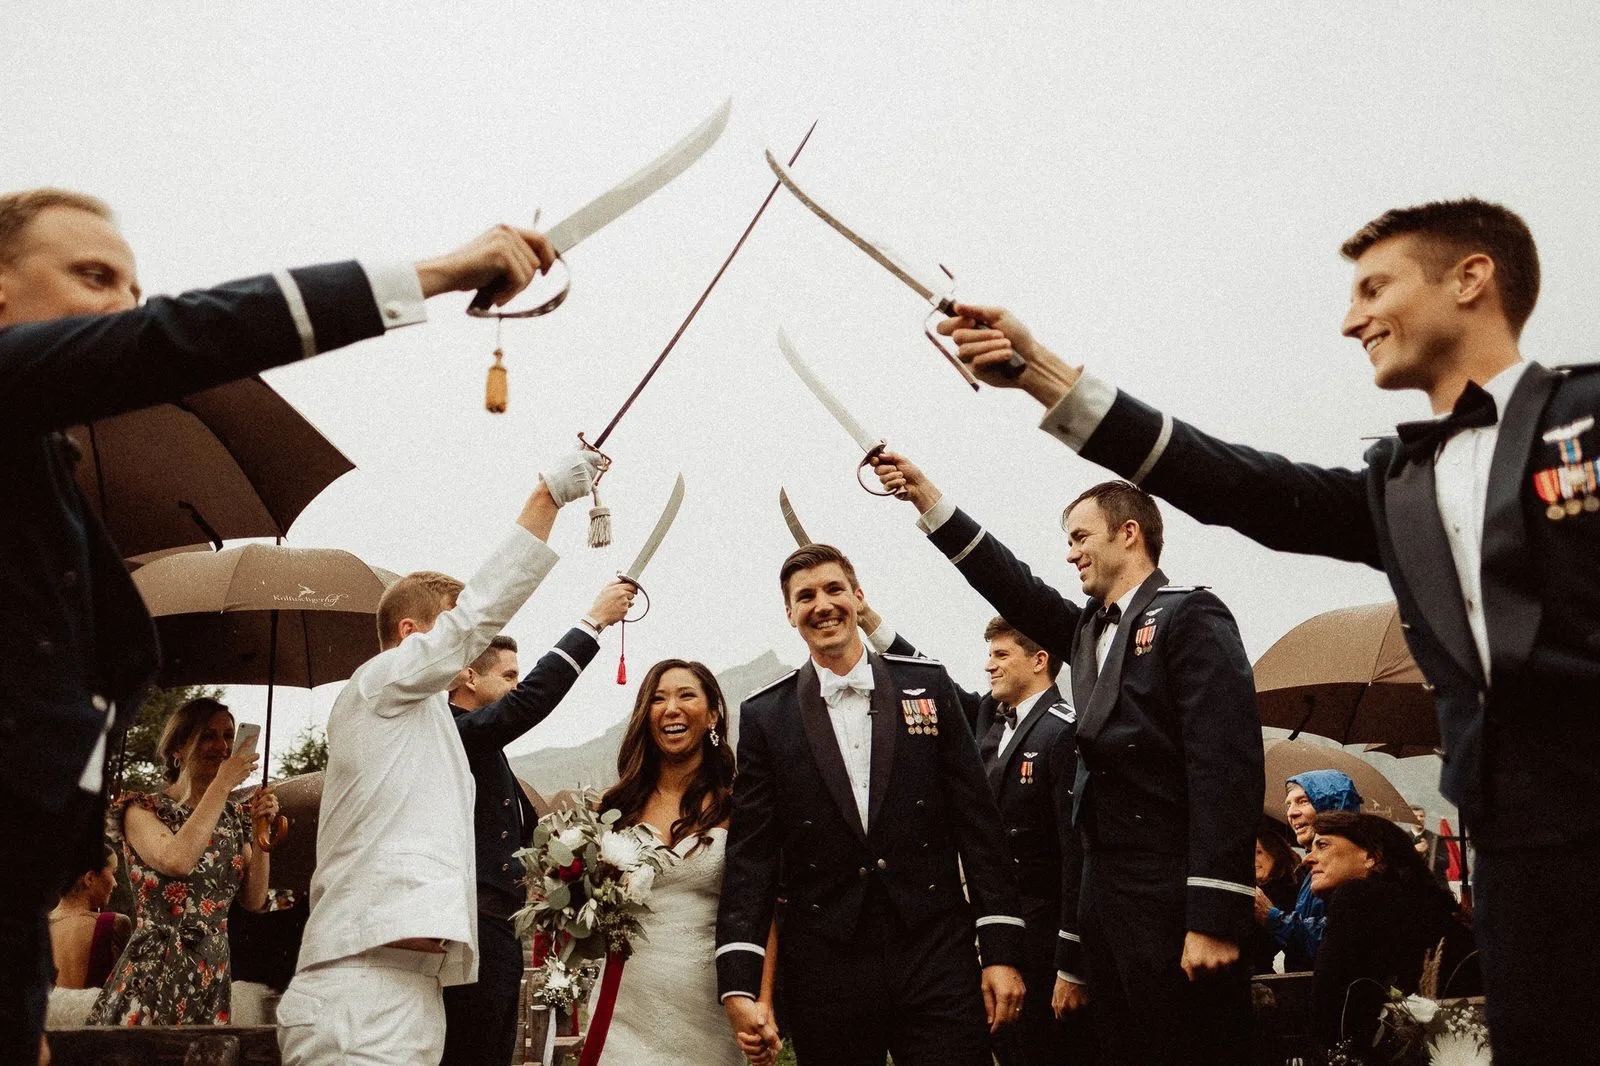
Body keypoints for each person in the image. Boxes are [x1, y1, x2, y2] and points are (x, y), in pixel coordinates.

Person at [936, 197, 1596, 1062]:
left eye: (1374, 287)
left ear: (1472, 277)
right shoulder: (1401, 483)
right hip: (1514, 858)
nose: (1351, 317)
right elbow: (1237, 485)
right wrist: (1041, 373)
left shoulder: (1583, 414)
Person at [0, 184, 561, 1063]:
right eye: (93, 275)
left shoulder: (51, 487)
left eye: (133, 290)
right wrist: (441, 272)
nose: (124, 308)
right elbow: (185, 332)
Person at [872, 459, 1262, 1065]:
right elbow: (1010, 584)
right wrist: (927, 499)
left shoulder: (1189, 616)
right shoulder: (1085, 634)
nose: (1071, 554)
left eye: (1081, 537)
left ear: (1127, 533)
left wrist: (1214, 911)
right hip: (1108, 909)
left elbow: (1225, 766)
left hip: (1171, 902)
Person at [275, 452, 600, 1066]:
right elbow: (479, 618)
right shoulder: (375, 687)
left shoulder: (439, 729)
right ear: (409, 637)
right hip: (357, 988)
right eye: (451, 629)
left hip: (422, 985)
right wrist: (548, 498)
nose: (468, 645)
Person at [717, 544, 1026, 1066]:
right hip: (826, 964)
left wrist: (1001, 953)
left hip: (936, 954)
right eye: (805, 596)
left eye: (834, 589)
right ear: (790, 614)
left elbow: (980, 830)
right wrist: (740, 985)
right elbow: (752, 861)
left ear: (858, 598)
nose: (823, 605)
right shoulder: (766, 715)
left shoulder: (926, 684)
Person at [866, 611, 1092, 1065]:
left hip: (1046, 942)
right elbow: (932, 678)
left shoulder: (1063, 732)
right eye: (988, 654)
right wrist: (869, 621)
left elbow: (1077, 856)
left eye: (1002, 654)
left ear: (1039, 660)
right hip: (996, 934)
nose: (989, 665)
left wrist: (1072, 962)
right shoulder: (990, 717)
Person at [440, 578, 636, 1066]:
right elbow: (531, 702)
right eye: (508, 676)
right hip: (469, 932)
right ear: (468, 676)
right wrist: (593, 622)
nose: (515, 687)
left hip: (497, 934)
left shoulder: (487, 749)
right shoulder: (452, 732)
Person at [601, 658, 775, 1066]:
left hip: (706, 999)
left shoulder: (739, 805)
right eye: (658, 699)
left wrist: (761, 1002)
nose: (671, 708)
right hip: (624, 998)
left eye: (686, 695)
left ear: (713, 713)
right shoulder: (616, 806)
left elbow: (763, 910)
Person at [87, 697, 278, 1025]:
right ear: (177, 748)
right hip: (154, 971)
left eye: (229, 736)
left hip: (210, 973)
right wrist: (223, 784)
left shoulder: (234, 817)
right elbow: (176, 860)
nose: (222, 746)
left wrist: (262, 835)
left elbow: (255, 899)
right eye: (208, 735)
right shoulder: (141, 809)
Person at [1304, 812, 1467, 1058]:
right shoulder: (1426, 906)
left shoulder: (1355, 897)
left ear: (1371, 856)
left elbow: (1326, 1014)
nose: (1308, 859)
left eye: (1322, 845)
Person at [1260, 770, 1364, 972]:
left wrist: (1271, 916)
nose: (1291, 813)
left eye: (1303, 801)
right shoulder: (1312, 867)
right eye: (1288, 804)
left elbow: (1332, 942)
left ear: (1332, 805)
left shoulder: (1351, 867)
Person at [47, 844, 129, 992]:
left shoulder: (36, 929)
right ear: (90, 878)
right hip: (96, 1014)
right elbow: (124, 992)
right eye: (113, 872)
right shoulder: (113, 924)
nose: (115, 883)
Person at [1246, 823, 1302, 975]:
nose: (1252, 859)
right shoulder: (1255, 889)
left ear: (1276, 853)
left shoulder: (1288, 893)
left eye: (1258, 852)